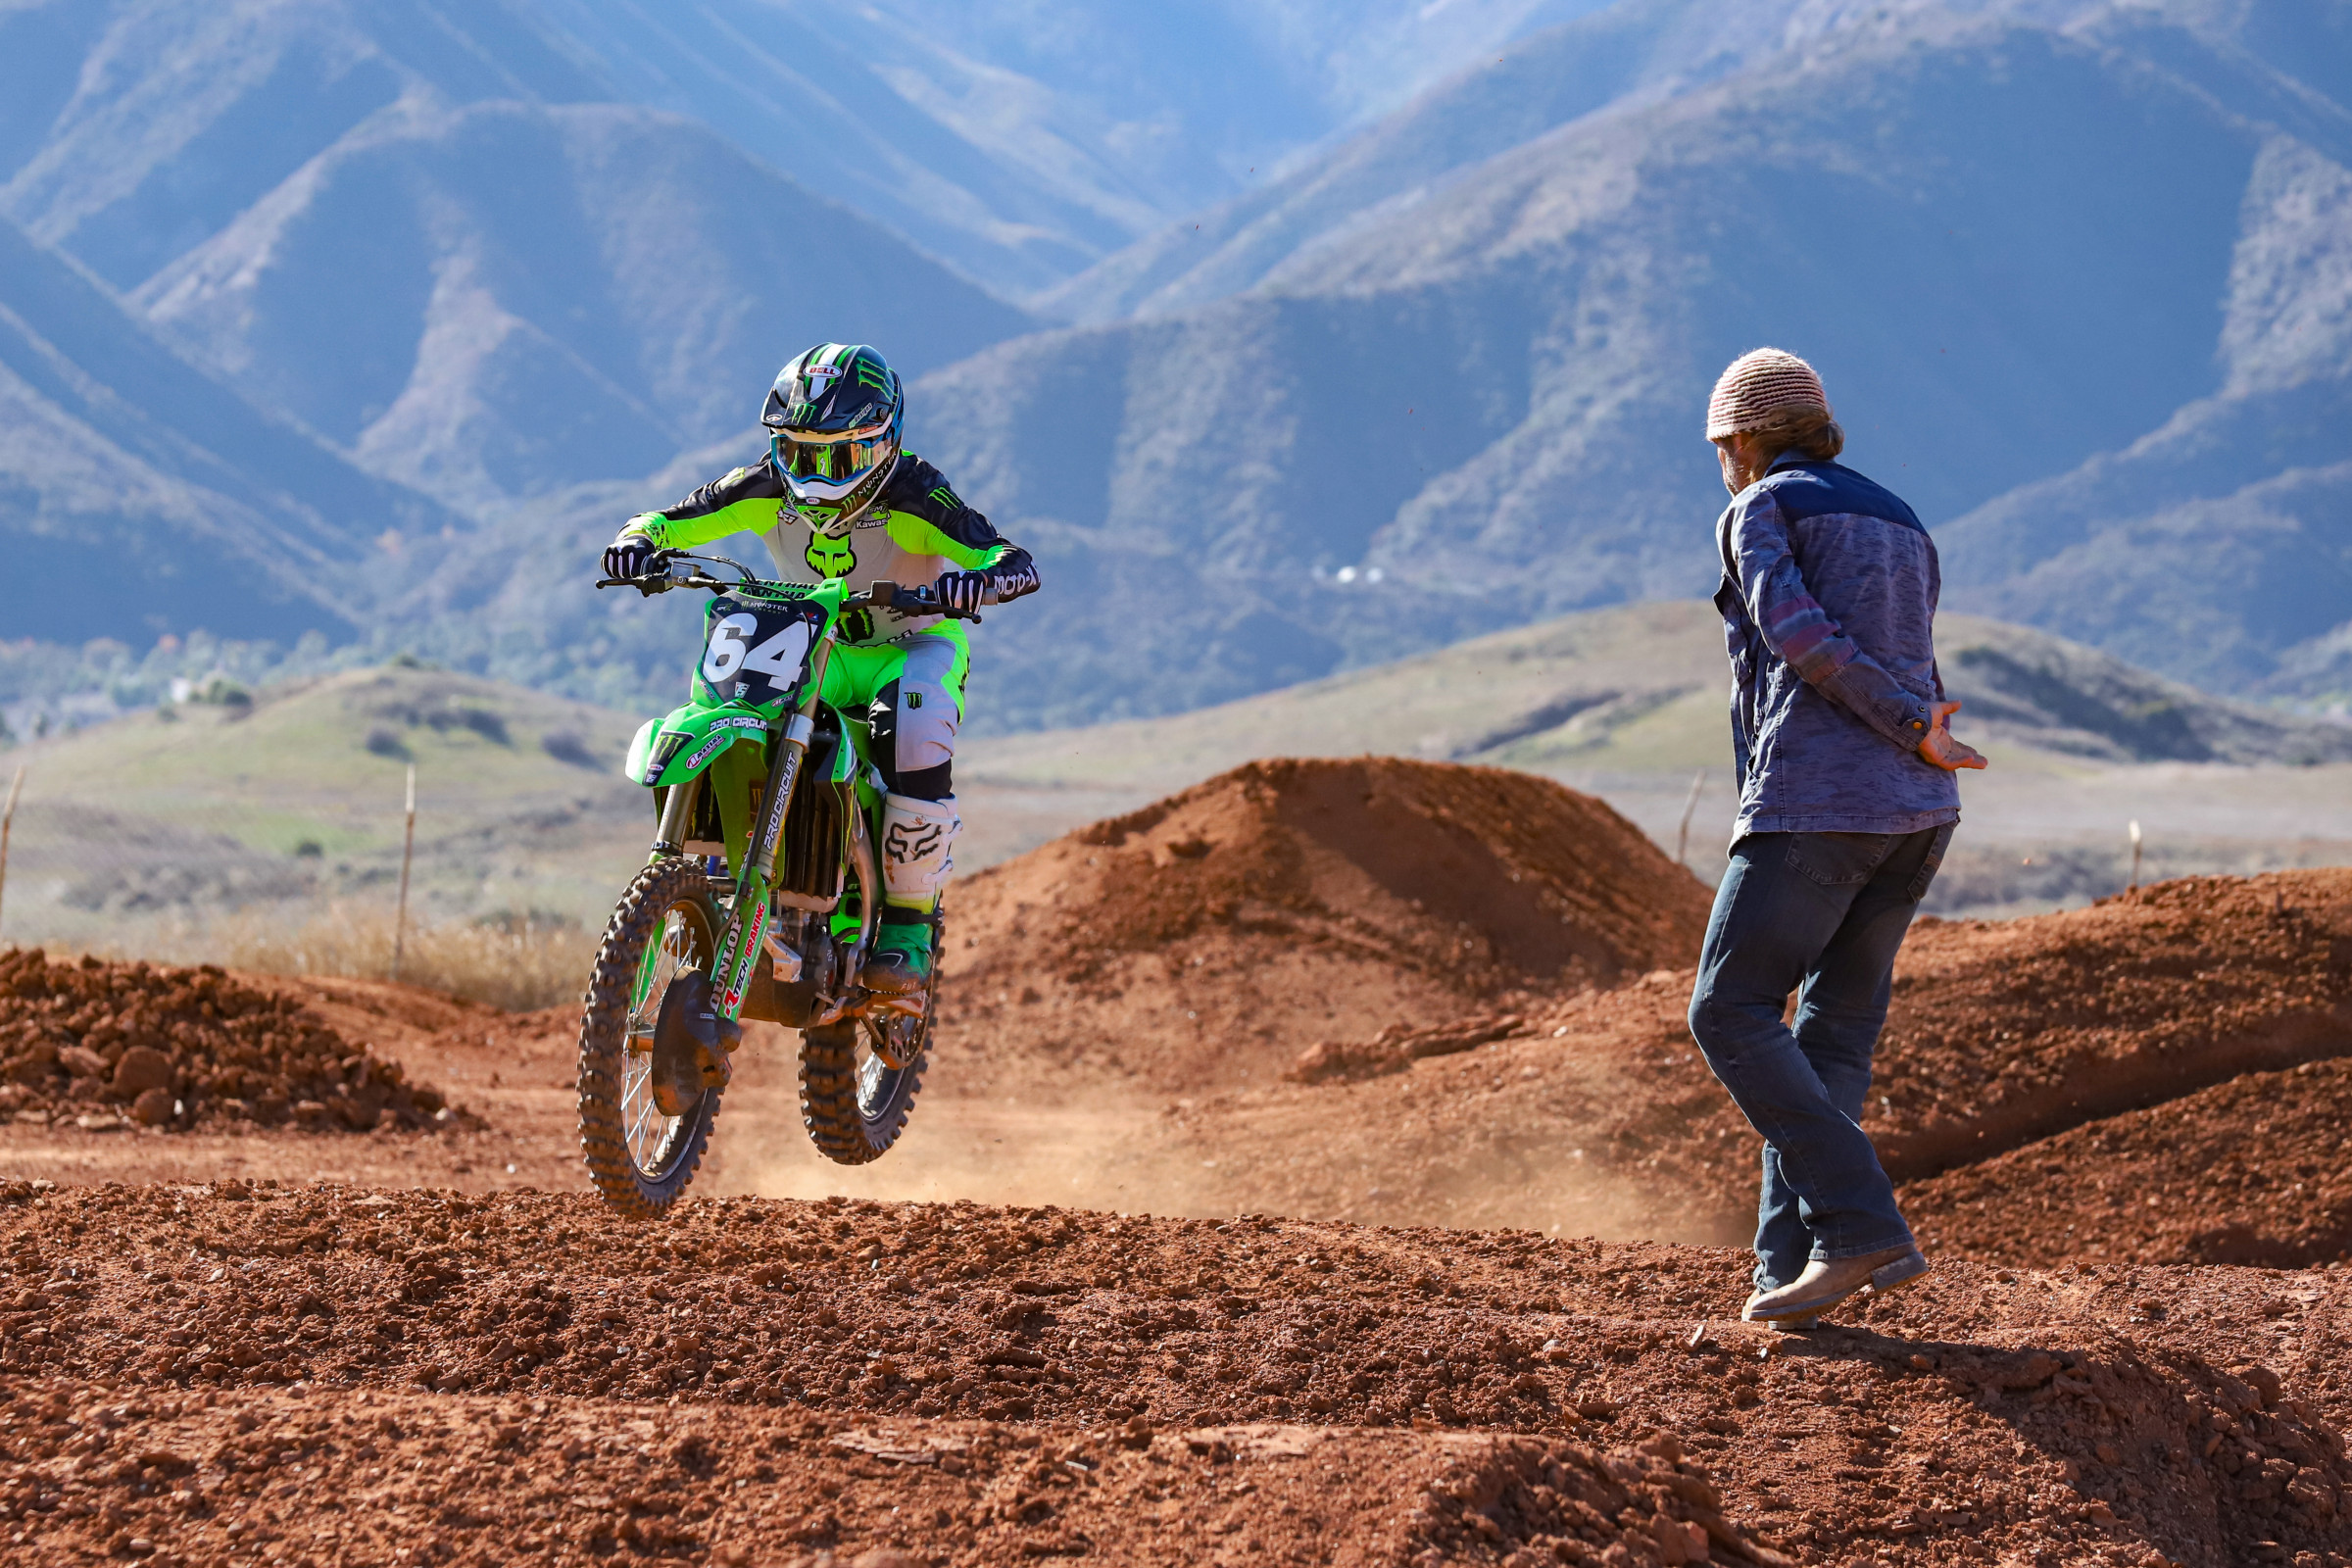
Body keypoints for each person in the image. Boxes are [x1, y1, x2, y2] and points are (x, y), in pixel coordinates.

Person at [1685, 348, 1986, 1328]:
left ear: (1740, 440)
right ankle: (1792, 1275)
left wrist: (1901, 721)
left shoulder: (1759, 508)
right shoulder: (1900, 515)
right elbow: (1905, 648)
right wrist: (1919, 734)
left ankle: (1859, 1225)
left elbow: (1800, 636)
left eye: (1721, 448)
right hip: (1920, 812)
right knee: (1833, 1036)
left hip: (1820, 802)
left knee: (1728, 1009)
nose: (1722, 465)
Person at [600, 342, 1040, 998]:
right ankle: (721, 872)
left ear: (883, 443)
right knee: (736, 706)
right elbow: (668, 519)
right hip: (814, 644)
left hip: (911, 645)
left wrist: (978, 583)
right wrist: (636, 543)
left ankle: (908, 929)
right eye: (799, 454)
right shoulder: (762, 486)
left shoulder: (917, 491)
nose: (816, 475)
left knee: (912, 726)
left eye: (840, 457)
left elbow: (1011, 559)